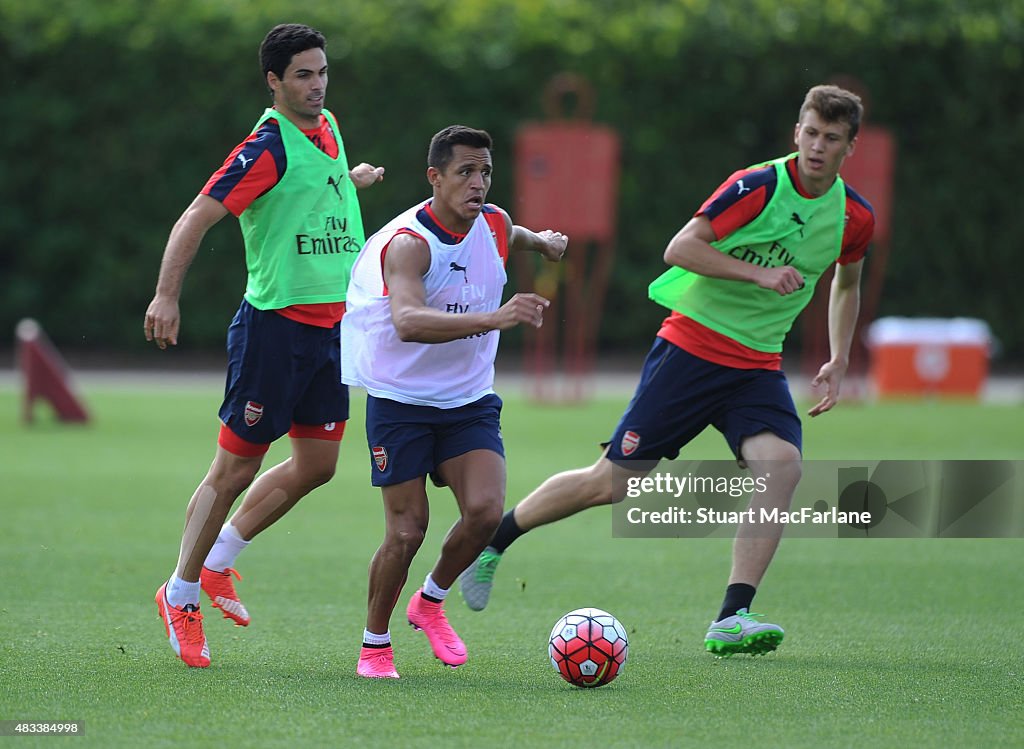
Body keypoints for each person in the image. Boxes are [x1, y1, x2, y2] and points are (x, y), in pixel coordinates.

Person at [459, 84, 876, 658]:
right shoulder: (756, 186)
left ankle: (732, 616)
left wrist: (839, 356)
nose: (817, 146)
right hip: (691, 351)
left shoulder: (854, 216)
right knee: (612, 482)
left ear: (849, 147)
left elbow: (847, 284)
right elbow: (680, 248)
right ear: (795, 133)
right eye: (810, 133)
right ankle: (494, 543)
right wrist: (757, 275)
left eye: (831, 139)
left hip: (756, 366)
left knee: (782, 467)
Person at [144, 23, 384, 668]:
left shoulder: (327, 128)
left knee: (318, 466)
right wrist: (167, 296)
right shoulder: (265, 147)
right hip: (275, 330)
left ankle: (217, 560)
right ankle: (181, 592)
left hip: (332, 331)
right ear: (274, 82)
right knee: (234, 470)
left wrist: (349, 179)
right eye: (302, 75)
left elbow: (311, 190)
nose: (316, 85)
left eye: (322, 72)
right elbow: (196, 215)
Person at [341, 125, 567, 678]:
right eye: (465, 172)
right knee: (406, 529)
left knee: (487, 512)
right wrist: (497, 316)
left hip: (467, 400)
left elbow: (509, 234)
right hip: (401, 402)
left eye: (485, 171)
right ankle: (374, 646)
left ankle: (430, 602)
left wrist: (544, 242)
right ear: (434, 178)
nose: (478, 182)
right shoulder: (411, 245)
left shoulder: (494, 222)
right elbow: (408, 320)